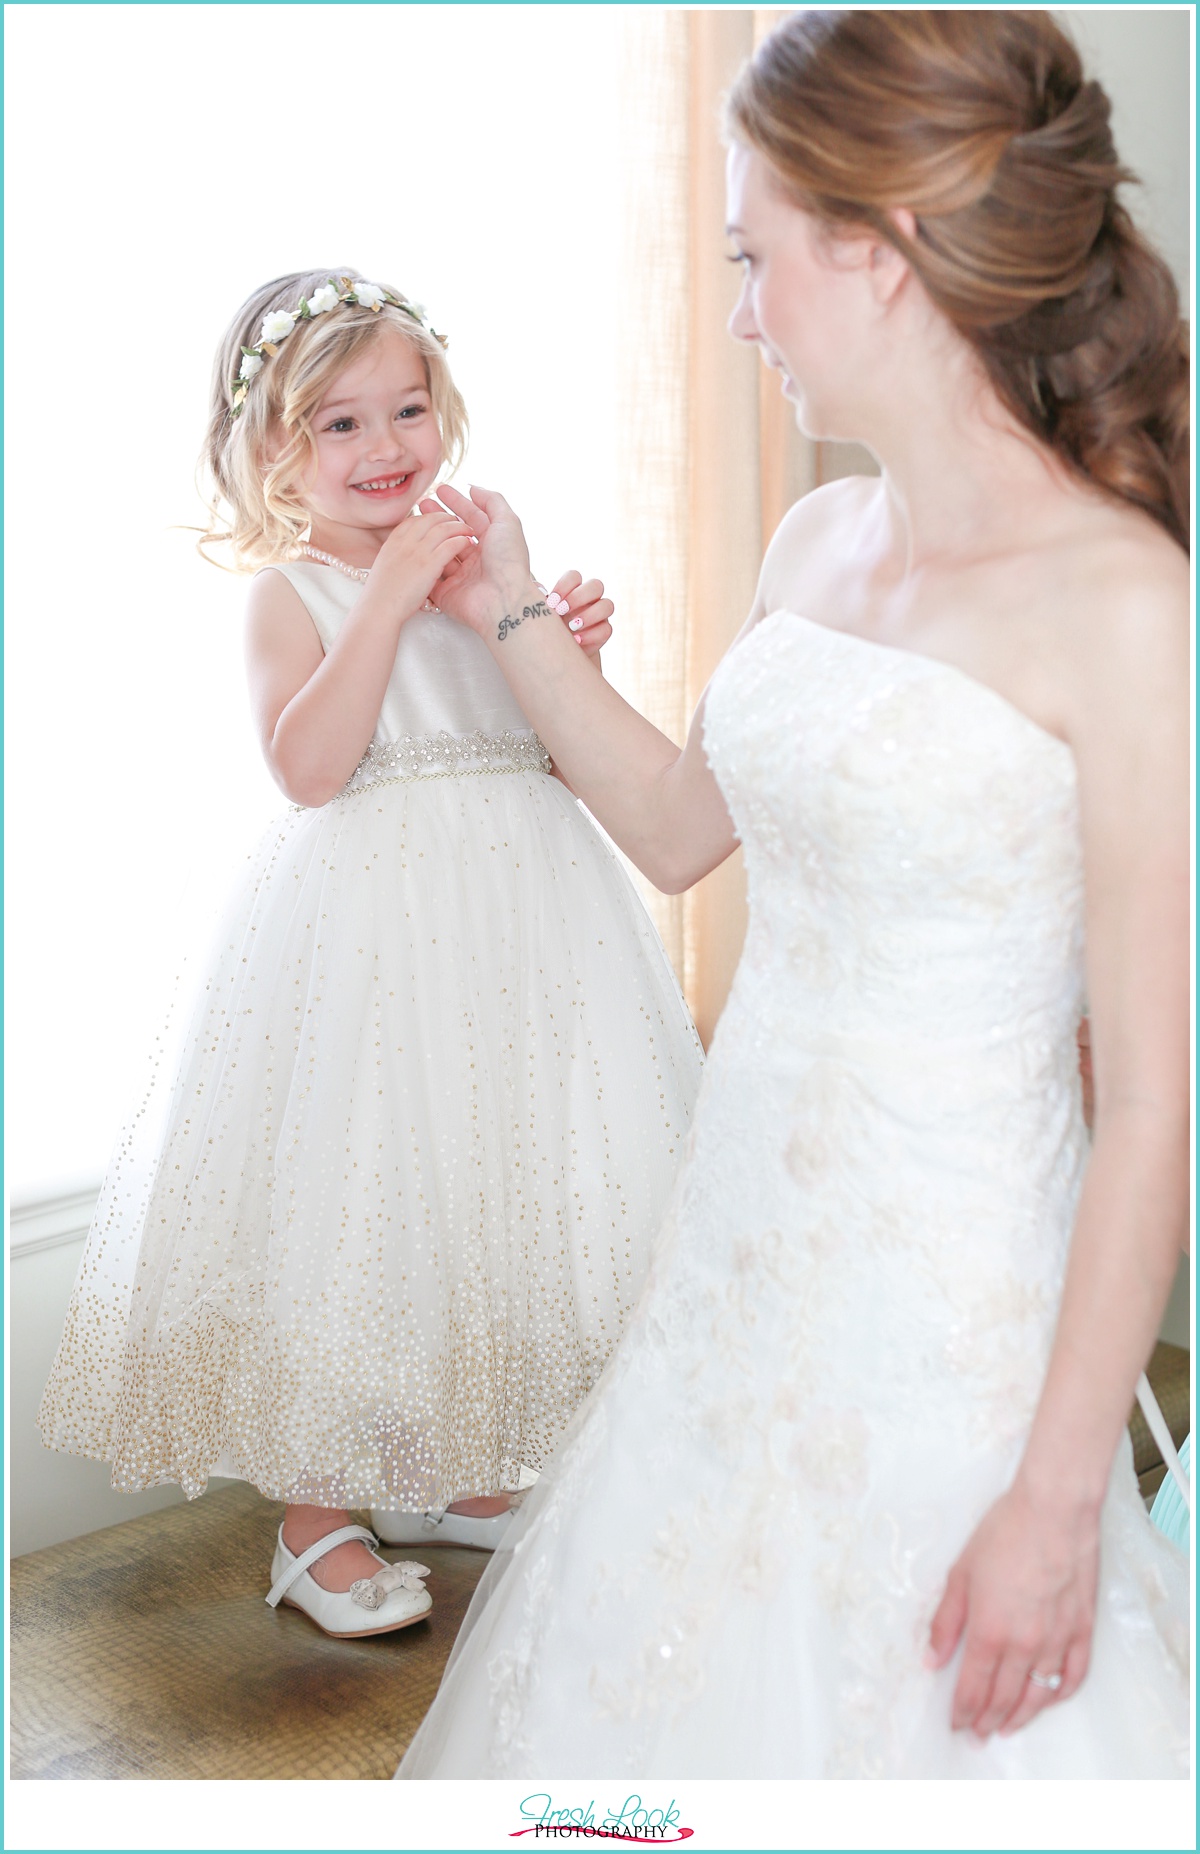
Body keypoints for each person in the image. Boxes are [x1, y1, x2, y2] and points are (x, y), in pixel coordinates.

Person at [397, 11, 1189, 1775]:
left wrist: (1059, 1502)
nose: (742, 311)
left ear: (883, 248)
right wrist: (509, 606)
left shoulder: (1124, 602)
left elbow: (1149, 1098)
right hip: (730, 1274)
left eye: (756, 260)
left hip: (951, 1339)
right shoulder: (815, 540)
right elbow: (683, 824)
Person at [37, 270, 702, 1640]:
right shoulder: (295, 596)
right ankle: (312, 1509)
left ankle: (448, 1472)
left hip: (521, 938)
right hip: (368, 950)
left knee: (492, 1181)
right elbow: (312, 767)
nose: (386, 447)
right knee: (360, 1202)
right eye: (337, 425)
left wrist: (538, 636)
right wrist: (391, 598)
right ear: (271, 449)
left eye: (406, 409)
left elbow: (565, 761)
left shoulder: (469, 574)